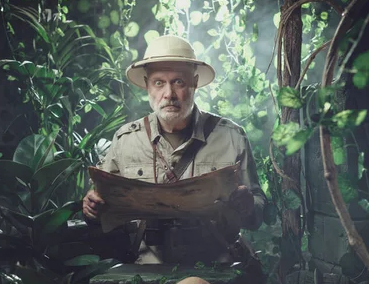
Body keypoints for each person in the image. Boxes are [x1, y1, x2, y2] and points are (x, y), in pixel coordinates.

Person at [82, 35, 266, 265]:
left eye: (179, 81)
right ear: (147, 85)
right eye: (159, 82)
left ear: (195, 82)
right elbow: (101, 206)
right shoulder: (126, 139)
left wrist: (248, 205)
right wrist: (91, 207)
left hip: (216, 269)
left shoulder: (231, 137)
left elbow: (258, 212)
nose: (169, 93)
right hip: (146, 270)